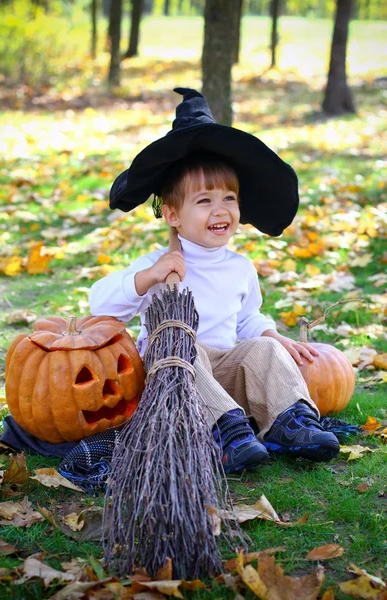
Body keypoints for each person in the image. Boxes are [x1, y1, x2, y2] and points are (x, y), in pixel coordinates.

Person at [89, 87, 340, 473]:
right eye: (204, 201)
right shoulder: (160, 265)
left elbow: (247, 319)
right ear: (172, 215)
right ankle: (226, 432)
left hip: (223, 370)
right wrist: (145, 278)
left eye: (229, 199)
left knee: (264, 350)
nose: (220, 210)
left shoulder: (239, 267)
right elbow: (100, 305)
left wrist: (273, 336)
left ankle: (291, 423)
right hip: (173, 374)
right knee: (188, 348)